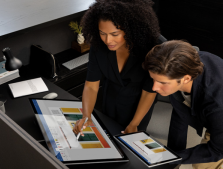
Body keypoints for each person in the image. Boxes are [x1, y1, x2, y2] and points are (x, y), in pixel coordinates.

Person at [73, 0, 160, 136]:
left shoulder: (151, 49)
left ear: (130, 29)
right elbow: (91, 85)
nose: (108, 40)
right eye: (102, 33)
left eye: (115, 34)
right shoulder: (98, 46)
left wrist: (134, 124)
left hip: (139, 104)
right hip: (110, 99)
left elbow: (149, 92)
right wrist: (86, 115)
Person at [143, 40, 223, 168]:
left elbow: (218, 150)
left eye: (162, 83)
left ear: (186, 79)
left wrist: (171, 158)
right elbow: (180, 114)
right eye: (154, 79)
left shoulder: (216, 104)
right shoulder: (183, 64)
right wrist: (172, 157)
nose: (154, 87)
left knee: (204, 165)